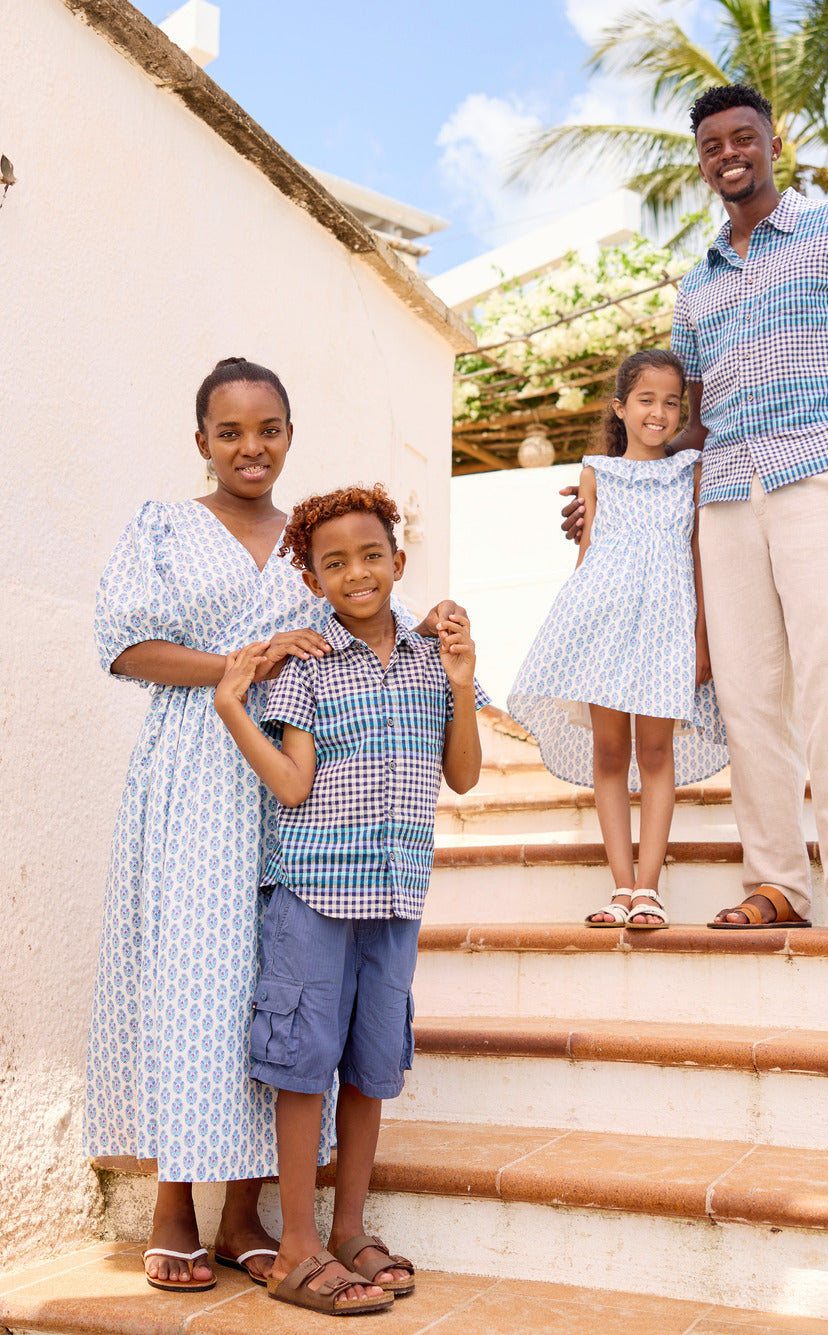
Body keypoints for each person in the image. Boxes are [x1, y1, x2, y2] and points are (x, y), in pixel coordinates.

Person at [84, 359, 463, 1294]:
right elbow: (123, 644)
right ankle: (177, 1205)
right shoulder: (166, 525)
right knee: (196, 979)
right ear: (202, 440)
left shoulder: (312, 545)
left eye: (270, 430)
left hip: (307, 798)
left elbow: (377, 622)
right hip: (198, 776)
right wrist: (244, 663)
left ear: (290, 434)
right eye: (230, 432)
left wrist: (446, 635)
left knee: (272, 996)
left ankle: (245, 1214)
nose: (250, 447)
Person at [563, 84, 828, 946]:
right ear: (701, 162)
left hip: (827, 478)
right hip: (727, 497)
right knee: (748, 696)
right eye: (711, 145)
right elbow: (690, 420)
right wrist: (620, 488)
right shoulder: (697, 284)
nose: (728, 154)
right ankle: (776, 881)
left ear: (774, 143)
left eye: (743, 138)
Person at [214, 484, 486, 1316]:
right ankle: (296, 1246)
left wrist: (464, 678)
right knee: (303, 1065)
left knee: (370, 1067)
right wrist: (233, 706)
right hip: (313, 894)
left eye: (372, 555)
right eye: (334, 562)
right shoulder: (306, 665)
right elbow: (292, 785)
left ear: (398, 562)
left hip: (396, 894)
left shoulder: (431, 655)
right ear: (314, 579)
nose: (357, 572)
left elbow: (466, 774)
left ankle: (349, 1229)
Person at [510, 350, 727, 929]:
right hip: (601, 627)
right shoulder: (595, 472)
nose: (659, 412)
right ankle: (620, 887)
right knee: (610, 755)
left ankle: (649, 889)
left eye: (671, 402)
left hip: (666, 629)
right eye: (646, 400)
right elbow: (584, 562)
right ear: (621, 407)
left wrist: (703, 638)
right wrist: (573, 642)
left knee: (656, 753)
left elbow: (700, 556)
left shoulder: (692, 470)